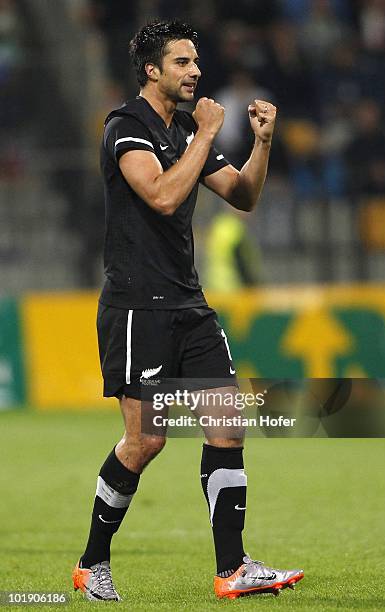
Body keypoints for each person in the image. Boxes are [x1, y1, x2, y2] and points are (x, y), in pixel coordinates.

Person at [72, 20, 304, 602]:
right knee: (147, 441)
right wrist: (203, 135)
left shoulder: (184, 131)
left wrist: (263, 142)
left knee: (228, 421)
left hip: (188, 304)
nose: (195, 71)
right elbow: (162, 195)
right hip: (136, 307)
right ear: (152, 69)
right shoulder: (128, 129)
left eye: (195, 61)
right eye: (182, 62)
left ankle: (233, 569)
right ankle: (91, 562)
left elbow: (244, 196)